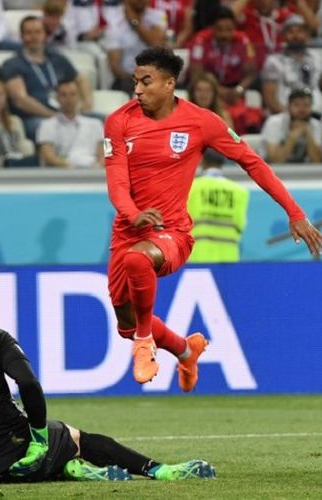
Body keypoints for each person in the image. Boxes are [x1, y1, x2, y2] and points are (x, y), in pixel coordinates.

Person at [103, 47, 322, 389]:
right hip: (128, 229)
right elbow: (116, 183)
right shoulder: (119, 121)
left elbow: (253, 162)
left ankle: (145, 344)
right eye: (135, 82)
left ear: (169, 83)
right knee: (124, 322)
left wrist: (294, 212)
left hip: (171, 232)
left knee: (137, 263)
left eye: (146, 82)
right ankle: (185, 350)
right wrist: (133, 215)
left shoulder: (201, 122)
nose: (138, 90)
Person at [0, 272, 217, 484]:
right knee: (73, 436)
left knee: (49, 449)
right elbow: (30, 385)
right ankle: (157, 470)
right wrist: (37, 434)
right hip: (17, 454)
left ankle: (66, 467)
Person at [2, 16, 92, 139]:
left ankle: (110, 157)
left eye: (38, 32)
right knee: (52, 130)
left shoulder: (57, 58)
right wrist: (54, 116)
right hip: (37, 118)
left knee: (108, 122)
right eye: (29, 33)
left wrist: (87, 104)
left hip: (68, 113)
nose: (34, 37)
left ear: (45, 35)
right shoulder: (12, 64)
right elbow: (21, 100)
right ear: (21, 37)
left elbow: (81, 80)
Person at [187, 163, 250, 263]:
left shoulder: (191, 187)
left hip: (199, 256)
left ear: (202, 160)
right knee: (230, 279)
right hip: (229, 257)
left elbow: (182, 223)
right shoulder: (239, 191)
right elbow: (240, 224)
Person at [261, 14, 322, 115]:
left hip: (317, 113)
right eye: (291, 32)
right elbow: (269, 98)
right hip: (286, 114)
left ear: (307, 34)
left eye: (300, 31)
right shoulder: (274, 61)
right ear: (284, 36)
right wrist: (288, 116)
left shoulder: (318, 56)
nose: (296, 36)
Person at [37, 78, 104, 168]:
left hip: (93, 171)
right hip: (63, 173)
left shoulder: (96, 124)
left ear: (79, 97)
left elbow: (106, 153)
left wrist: (97, 167)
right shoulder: (47, 125)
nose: (69, 99)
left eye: (73, 94)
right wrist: (70, 166)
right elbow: (48, 156)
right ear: (57, 98)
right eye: (63, 95)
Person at [103, 0, 167, 93]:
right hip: (126, 79)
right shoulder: (114, 22)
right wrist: (137, 81)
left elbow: (156, 44)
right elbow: (115, 66)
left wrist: (134, 22)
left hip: (155, 77)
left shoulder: (158, 16)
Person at [261, 88, 322, 164]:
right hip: (271, 171)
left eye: (306, 105)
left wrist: (308, 135)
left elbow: (318, 162)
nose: (301, 109)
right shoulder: (274, 123)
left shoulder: (315, 125)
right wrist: (294, 136)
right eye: (296, 105)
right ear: (288, 107)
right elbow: (276, 160)